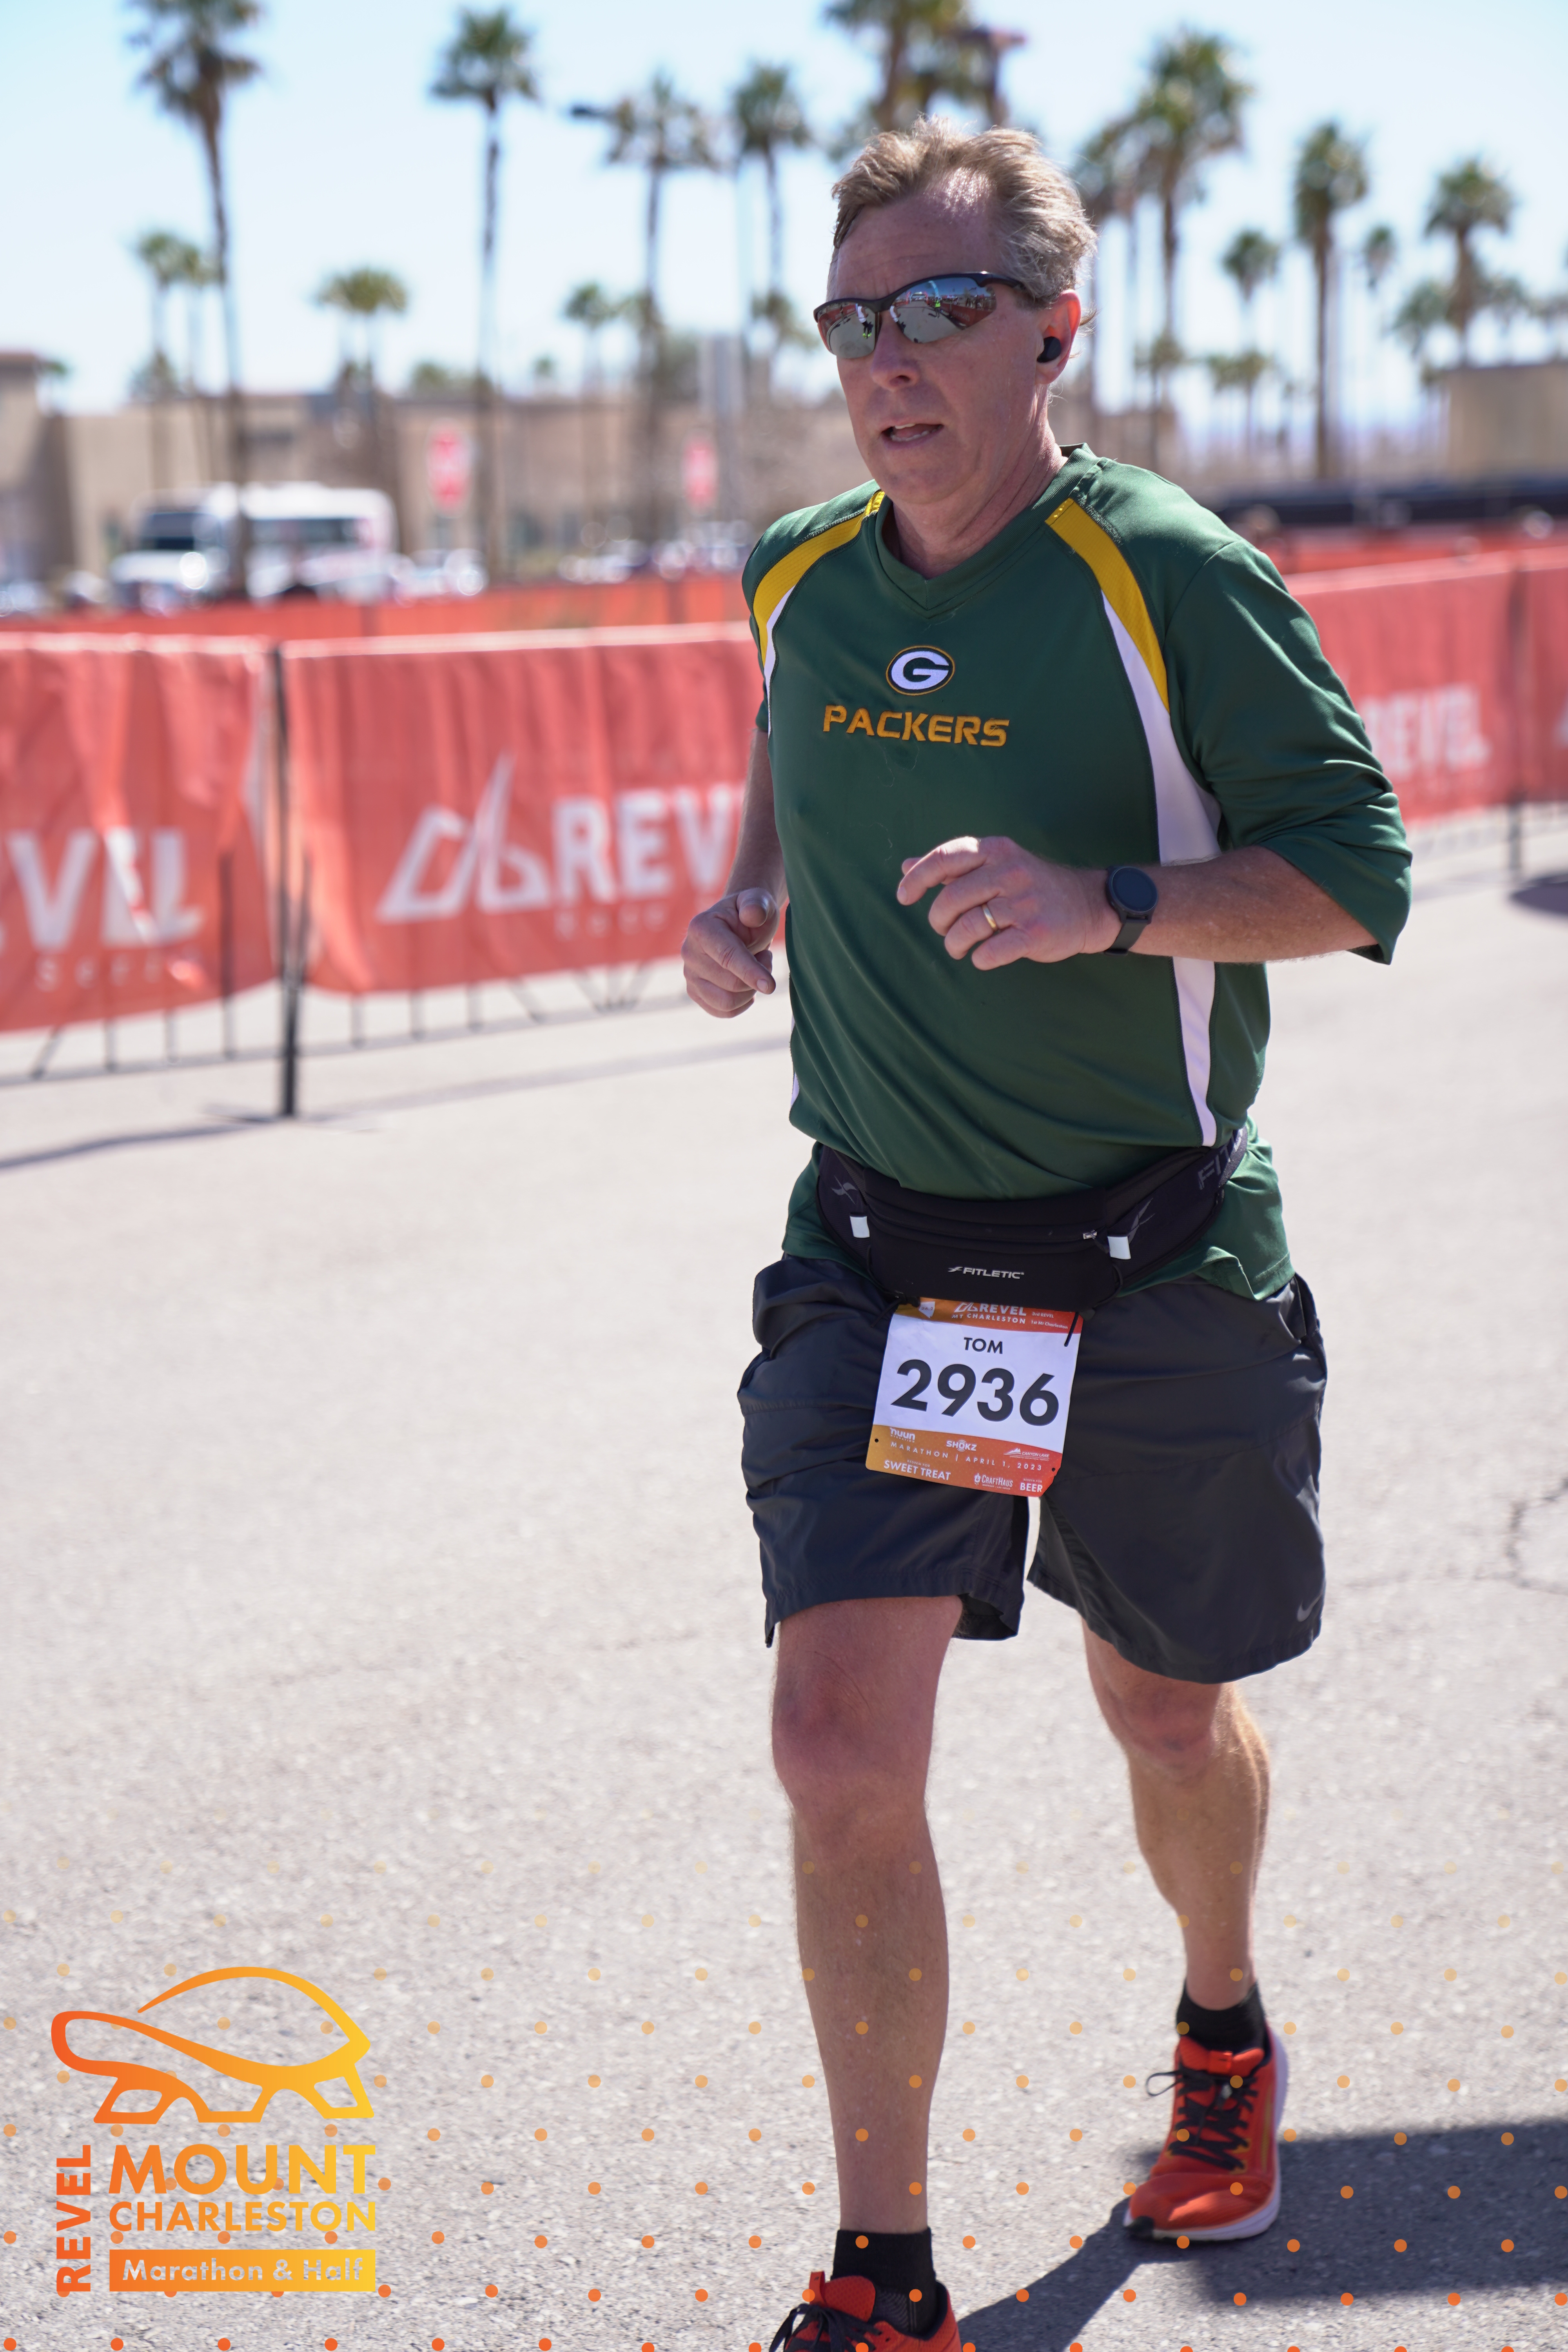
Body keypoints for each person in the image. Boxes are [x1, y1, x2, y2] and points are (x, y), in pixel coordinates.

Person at [681, 116, 1410, 2352]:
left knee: (1165, 1710)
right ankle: (883, 2271)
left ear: (1053, 334)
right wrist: (748, 893)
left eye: (941, 309)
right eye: (854, 318)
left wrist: (1107, 904)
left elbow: (1353, 876)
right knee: (838, 1745)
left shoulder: (1163, 569)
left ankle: (1220, 2022)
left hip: (1147, 1260)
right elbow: (798, 747)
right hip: (893, 1268)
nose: (887, 359)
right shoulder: (800, 571)